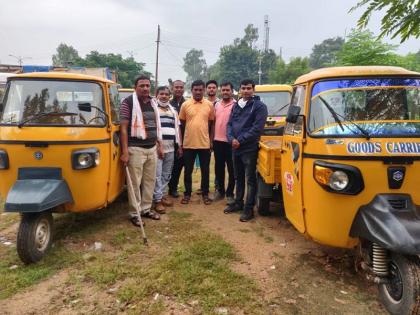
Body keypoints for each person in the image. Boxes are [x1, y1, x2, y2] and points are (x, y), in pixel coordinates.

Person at [120, 75, 164, 225]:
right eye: (142, 86)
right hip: (135, 149)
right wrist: (125, 152)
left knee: (149, 181)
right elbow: (124, 128)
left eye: (147, 85)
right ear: (135, 87)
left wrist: (159, 145)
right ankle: (135, 213)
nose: (145, 88)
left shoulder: (153, 102)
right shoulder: (128, 102)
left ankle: (146, 209)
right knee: (134, 182)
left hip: (152, 148)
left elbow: (156, 126)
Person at [225, 79, 268, 222]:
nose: (246, 91)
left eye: (248, 88)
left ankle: (248, 209)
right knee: (238, 177)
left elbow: (257, 128)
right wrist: (231, 139)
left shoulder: (259, 106)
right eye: (243, 88)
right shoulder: (237, 105)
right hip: (235, 147)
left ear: (253, 90)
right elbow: (229, 124)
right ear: (240, 90)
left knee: (250, 179)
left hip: (248, 148)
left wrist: (240, 140)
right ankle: (238, 203)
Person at [179, 80, 215, 205]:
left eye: (200, 90)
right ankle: (187, 194)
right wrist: (182, 142)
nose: (198, 92)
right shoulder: (185, 105)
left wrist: (210, 141)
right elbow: (182, 124)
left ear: (204, 90)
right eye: (196, 90)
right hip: (188, 144)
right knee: (187, 170)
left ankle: (205, 194)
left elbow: (211, 124)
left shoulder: (209, 105)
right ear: (192, 90)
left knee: (205, 171)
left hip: (204, 144)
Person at [153, 86, 182, 214]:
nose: (164, 96)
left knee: (166, 174)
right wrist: (158, 146)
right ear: (157, 95)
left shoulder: (173, 110)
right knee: (157, 175)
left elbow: (177, 129)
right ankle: (157, 200)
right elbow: (152, 129)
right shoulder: (153, 109)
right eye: (161, 94)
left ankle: (162, 195)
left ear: (169, 96)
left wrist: (179, 145)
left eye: (166, 94)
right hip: (157, 148)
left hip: (171, 147)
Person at [213, 82, 236, 205]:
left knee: (232, 169)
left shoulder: (236, 105)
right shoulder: (216, 105)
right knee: (219, 168)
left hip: (230, 143)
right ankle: (220, 191)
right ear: (220, 91)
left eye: (227, 90)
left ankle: (230, 193)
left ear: (232, 91)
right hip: (217, 142)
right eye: (223, 90)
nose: (225, 92)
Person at [168, 80, 186, 198]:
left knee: (179, 165)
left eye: (181, 87)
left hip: (185, 139)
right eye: (176, 87)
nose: (178, 89)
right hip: (169, 139)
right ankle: (167, 187)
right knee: (168, 165)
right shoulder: (168, 104)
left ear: (184, 89)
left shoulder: (188, 103)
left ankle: (174, 188)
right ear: (172, 89)